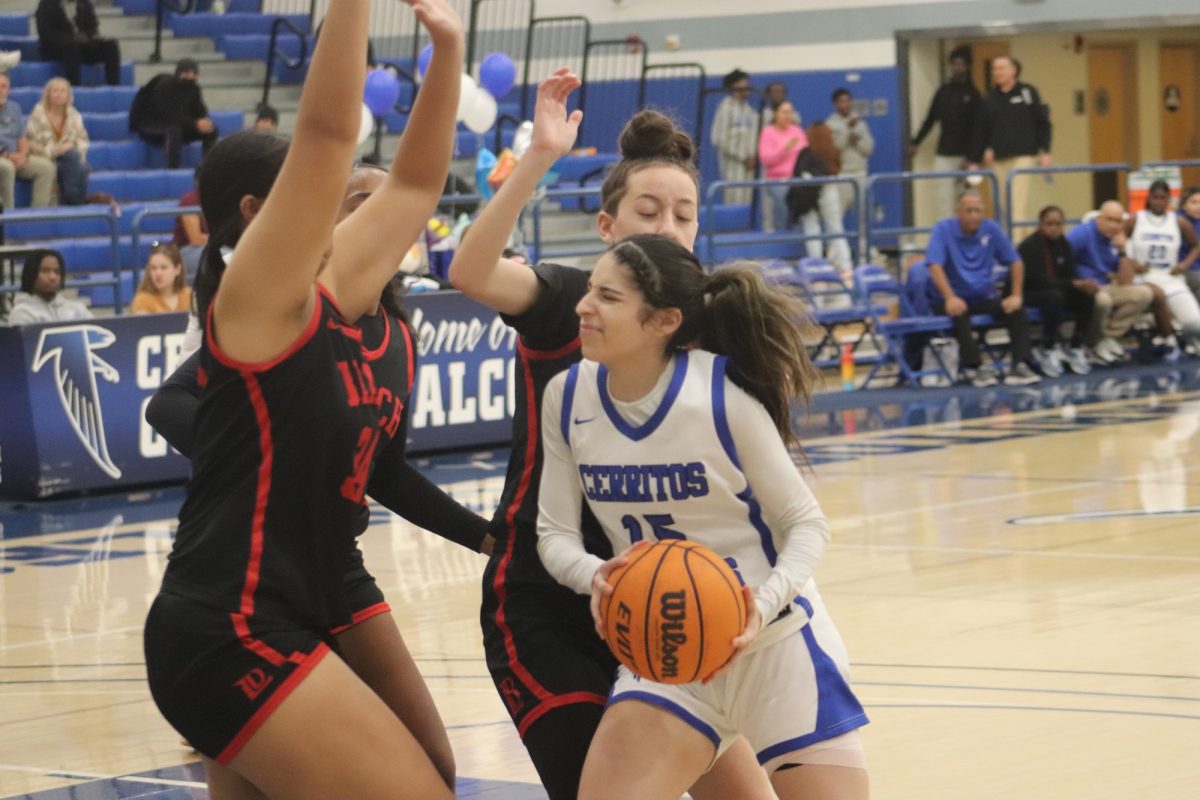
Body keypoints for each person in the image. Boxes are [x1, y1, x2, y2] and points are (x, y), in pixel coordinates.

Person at [141, 0, 464, 796]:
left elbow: (419, 182)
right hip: (233, 625)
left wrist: (449, 48)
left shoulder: (343, 293)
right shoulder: (254, 301)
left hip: (306, 596)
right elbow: (327, 135)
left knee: (440, 772)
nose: (351, 207)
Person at [450, 76, 777, 800]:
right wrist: (539, 156)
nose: (666, 228)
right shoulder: (572, 299)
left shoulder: (701, 328)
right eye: (647, 210)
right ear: (607, 226)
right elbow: (468, 270)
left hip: (667, 601)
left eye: (683, 215)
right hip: (548, 605)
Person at [536, 234, 870, 800]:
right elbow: (554, 532)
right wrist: (593, 575)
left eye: (607, 297)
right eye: (590, 289)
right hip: (665, 651)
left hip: (774, 644)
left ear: (663, 321)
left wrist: (758, 609)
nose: (582, 306)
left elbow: (807, 524)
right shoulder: (567, 398)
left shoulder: (719, 396)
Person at [925, 188, 1041, 386]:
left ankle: (1019, 365)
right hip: (950, 298)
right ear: (958, 212)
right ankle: (975, 368)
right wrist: (950, 297)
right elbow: (935, 266)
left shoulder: (991, 229)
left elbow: (1016, 262)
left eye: (977, 211)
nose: (973, 216)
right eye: (968, 211)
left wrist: (1016, 294)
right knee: (959, 312)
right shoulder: (942, 230)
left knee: (1016, 309)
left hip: (983, 297)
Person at [1065, 200, 1157, 364]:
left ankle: (1106, 337)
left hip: (1106, 285)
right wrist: (1075, 282)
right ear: (1099, 218)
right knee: (1103, 300)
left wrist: (1122, 251)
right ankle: (1093, 342)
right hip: (1083, 287)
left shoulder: (1114, 240)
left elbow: (1124, 281)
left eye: (1118, 221)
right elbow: (1061, 259)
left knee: (1144, 294)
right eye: (1110, 220)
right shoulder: (1081, 234)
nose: (1114, 225)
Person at [1014, 206, 1098, 376]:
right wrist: (1072, 284)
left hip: (1057, 289)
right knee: (1054, 297)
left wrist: (1081, 284)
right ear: (1041, 224)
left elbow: (1070, 273)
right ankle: (1047, 346)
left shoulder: (1063, 244)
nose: (1054, 228)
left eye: (1058, 224)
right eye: (1049, 224)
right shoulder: (1029, 246)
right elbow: (1037, 281)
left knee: (1087, 297)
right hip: (1030, 292)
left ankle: (1075, 345)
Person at [970, 54, 1051, 228]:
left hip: (1023, 155)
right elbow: (981, 130)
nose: (997, 72)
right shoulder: (989, 98)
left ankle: (1014, 249)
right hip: (998, 158)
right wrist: (976, 159)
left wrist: (1045, 150)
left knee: (1016, 204)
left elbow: (1043, 122)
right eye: (994, 69)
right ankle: (1012, 243)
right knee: (1001, 205)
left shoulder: (1028, 92)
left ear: (1013, 70)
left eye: (1001, 68)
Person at [1125, 179, 1200, 351]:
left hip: (1170, 277)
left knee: (1194, 321)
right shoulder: (1136, 219)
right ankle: (1167, 338)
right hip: (1144, 278)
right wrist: (1132, 262)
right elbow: (1119, 241)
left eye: (1163, 198)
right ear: (1149, 198)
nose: (1158, 202)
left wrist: (1184, 264)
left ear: (1168, 200)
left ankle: (1183, 337)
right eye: (1155, 198)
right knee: (1154, 302)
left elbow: (1196, 245)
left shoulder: (1178, 221)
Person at [909, 45, 981, 221]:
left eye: (961, 64)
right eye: (954, 64)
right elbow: (931, 119)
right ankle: (946, 241)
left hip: (966, 157)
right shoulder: (943, 92)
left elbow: (978, 128)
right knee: (943, 199)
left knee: (967, 199)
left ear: (968, 66)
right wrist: (916, 142)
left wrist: (972, 157)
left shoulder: (974, 94)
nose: (958, 68)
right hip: (944, 154)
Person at [129, 59, 218, 169]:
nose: (190, 77)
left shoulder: (194, 88)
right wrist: (195, 124)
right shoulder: (165, 86)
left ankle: (208, 167)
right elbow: (167, 116)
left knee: (211, 128)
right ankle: (173, 169)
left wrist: (204, 121)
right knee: (174, 130)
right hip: (151, 125)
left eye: (193, 74)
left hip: (180, 126)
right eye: (187, 73)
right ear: (178, 73)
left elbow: (200, 111)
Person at [24, 77, 95, 206]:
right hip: (45, 157)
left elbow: (83, 140)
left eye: (63, 91)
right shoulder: (37, 116)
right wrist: (55, 151)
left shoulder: (74, 115)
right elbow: (31, 144)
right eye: (55, 91)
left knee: (76, 161)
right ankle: (75, 202)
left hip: (69, 158)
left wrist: (70, 147)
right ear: (48, 94)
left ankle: (71, 197)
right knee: (82, 168)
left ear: (68, 95)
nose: (59, 94)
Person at [0, 73, 56, 209]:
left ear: (9, 89)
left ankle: (37, 216)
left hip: (15, 156)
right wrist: (8, 156)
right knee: (7, 168)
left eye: (3, 86)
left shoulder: (14, 108)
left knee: (46, 167)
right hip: (3, 158)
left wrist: (23, 155)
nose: (0, 90)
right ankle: (8, 218)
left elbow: (22, 137)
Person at [34, 0, 122, 87]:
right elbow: (45, 33)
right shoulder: (47, 4)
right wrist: (72, 38)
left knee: (111, 45)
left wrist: (93, 36)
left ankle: (114, 86)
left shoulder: (84, 3)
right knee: (71, 48)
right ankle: (74, 88)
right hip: (56, 49)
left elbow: (92, 26)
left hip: (82, 47)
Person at [825, 87, 874, 223]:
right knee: (836, 215)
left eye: (848, 101)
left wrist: (856, 140)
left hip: (860, 174)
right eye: (841, 102)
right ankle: (833, 244)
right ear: (835, 104)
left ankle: (865, 243)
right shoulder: (829, 125)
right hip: (841, 175)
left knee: (864, 214)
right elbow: (833, 150)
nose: (845, 105)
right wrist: (847, 133)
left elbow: (868, 149)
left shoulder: (861, 124)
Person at [709, 69, 757, 206]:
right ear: (733, 86)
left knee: (747, 203)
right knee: (735, 200)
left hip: (750, 165)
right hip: (734, 165)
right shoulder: (726, 108)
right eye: (743, 83)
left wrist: (754, 157)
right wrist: (743, 157)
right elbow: (718, 138)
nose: (747, 86)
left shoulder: (749, 110)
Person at [5, 249, 91, 325]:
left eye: (57, 271)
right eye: (45, 271)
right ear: (31, 274)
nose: (52, 277)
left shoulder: (78, 309)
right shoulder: (22, 313)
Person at [757, 100, 806, 232]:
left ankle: (800, 237)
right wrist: (784, 149)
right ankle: (781, 234)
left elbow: (806, 154)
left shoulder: (797, 131)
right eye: (784, 112)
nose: (788, 116)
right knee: (783, 200)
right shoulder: (768, 132)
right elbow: (766, 159)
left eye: (790, 112)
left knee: (805, 202)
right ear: (775, 114)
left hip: (798, 179)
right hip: (777, 180)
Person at [130, 243, 191, 314]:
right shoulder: (142, 300)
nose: (158, 274)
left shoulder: (189, 296)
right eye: (153, 268)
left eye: (164, 267)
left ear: (177, 269)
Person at [173, 167, 207, 277]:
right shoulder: (189, 201)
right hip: (186, 251)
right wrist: (219, 239)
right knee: (216, 256)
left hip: (212, 246)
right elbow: (196, 239)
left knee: (232, 258)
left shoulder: (219, 200)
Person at [1180, 186, 1200, 305]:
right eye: (1194, 202)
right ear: (1183, 205)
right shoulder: (1178, 221)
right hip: (1186, 269)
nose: (1198, 206)